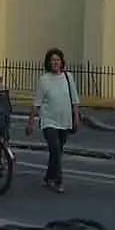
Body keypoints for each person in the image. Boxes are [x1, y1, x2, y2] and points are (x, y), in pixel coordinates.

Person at [26, 48, 79, 194]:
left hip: (65, 120)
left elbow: (74, 100)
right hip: (49, 121)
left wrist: (76, 118)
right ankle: (58, 180)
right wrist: (31, 122)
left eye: (57, 60)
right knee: (55, 149)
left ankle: (49, 176)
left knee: (57, 151)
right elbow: (37, 102)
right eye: (52, 60)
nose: (55, 62)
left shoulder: (68, 77)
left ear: (62, 62)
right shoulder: (44, 80)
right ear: (49, 63)